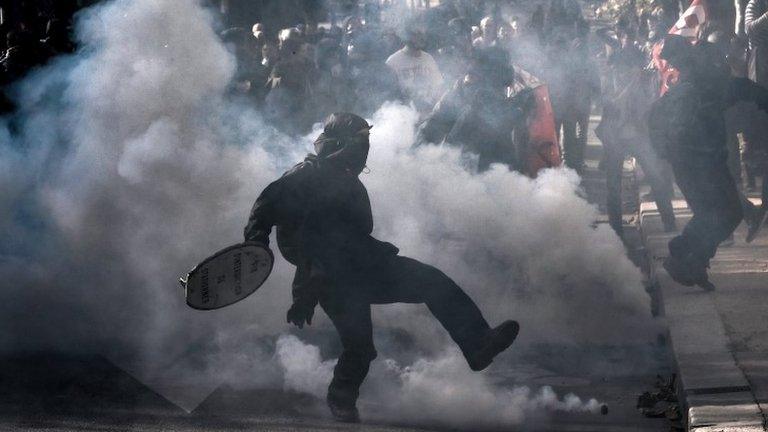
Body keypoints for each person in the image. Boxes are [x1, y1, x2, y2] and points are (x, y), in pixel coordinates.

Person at [244, 113, 520, 423]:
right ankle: (341, 399)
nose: (365, 148)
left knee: (433, 282)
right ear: (340, 143)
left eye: (367, 141)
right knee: (360, 347)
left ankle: (478, 345)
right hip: (331, 279)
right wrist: (257, 247)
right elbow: (263, 210)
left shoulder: (346, 176)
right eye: (359, 141)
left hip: (367, 264)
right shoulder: (305, 176)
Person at [649, 35, 768, 289]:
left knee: (717, 214)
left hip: (699, 162)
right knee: (723, 214)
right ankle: (681, 256)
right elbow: (743, 89)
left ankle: (693, 262)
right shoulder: (701, 85)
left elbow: (743, 89)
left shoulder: (690, 85)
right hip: (702, 163)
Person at [385, 28, 444, 113]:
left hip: (429, 113)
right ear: (406, 37)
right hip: (405, 114)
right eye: (416, 35)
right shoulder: (393, 61)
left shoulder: (428, 58)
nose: (421, 38)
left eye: (422, 34)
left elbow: (439, 86)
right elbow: (390, 96)